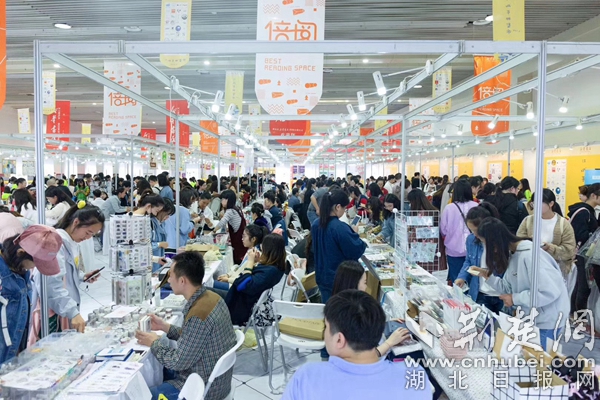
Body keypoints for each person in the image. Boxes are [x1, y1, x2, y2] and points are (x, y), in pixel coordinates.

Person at [281, 290, 431, 400]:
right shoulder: (414, 375)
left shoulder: (307, 378)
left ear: (339, 340)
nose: (325, 332)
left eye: (326, 327)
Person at [135, 251, 236, 400]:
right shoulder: (212, 297)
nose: (169, 280)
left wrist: (153, 343)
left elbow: (177, 361)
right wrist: (165, 327)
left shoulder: (199, 314)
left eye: (170, 275)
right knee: (161, 369)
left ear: (182, 281)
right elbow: (193, 337)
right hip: (217, 378)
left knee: (142, 394)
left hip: (202, 388)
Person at [472, 217, 570, 351]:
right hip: (531, 318)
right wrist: (487, 276)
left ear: (495, 242)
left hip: (546, 321)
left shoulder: (530, 255)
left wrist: (515, 299)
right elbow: (508, 288)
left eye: (486, 244)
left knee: (539, 361)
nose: (488, 250)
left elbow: (549, 292)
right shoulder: (514, 255)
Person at [30, 202, 105, 340]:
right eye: (88, 232)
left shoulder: (72, 242)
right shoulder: (55, 243)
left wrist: (81, 276)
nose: (88, 238)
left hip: (63, 306)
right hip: (54, 309)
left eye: (93, 235)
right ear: (76, 222)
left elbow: (65, 272)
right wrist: (72, 312)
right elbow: (50, 285)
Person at [0, 216, 62, 364]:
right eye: (34, 263)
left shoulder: (21, 269)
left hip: (12, 350)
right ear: (21, 253)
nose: (34, 268)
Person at [311, 190, 367, 302]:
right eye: (344, 208)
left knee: (328, 307)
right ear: (337, 207)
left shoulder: (316, 224)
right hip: (338, 279)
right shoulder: (339, 227)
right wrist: (355, 234)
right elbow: (355, 250)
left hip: (322, 274)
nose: (344, 211)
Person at [517, 189, 576, 289]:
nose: (536, 206)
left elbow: (569, 251)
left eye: (540, 203)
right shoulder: (528, 221)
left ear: (551, 204)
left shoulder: (563, 224)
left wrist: (549, 248)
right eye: (533, 203)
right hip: (531, 269)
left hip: (555, 272)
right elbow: (518, 243)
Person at [224, 234, 286, 325]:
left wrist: (250, 262)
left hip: (240, 306)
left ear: (268, 249)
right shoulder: (275, 267)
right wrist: (256, 262)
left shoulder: (271, 271)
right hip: (243, 299)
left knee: (208, 292)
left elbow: (243, 285)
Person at [454, 203, 504, 313]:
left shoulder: (502, 241)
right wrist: (462, 277)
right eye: (471, 230)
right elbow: (468, 261)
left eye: (477, 231)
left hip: (502, 295)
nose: (475, 234)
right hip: (480, 293)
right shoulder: (471, 240)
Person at [568, 182, 600, 312]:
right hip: (582, 254)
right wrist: (593, 236)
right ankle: (578, 315)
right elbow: (579, 235)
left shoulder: (589, 211)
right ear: (593, 196)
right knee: (583, 287)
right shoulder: (584, 212)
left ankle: (574, 313)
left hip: (584, 254)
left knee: (580, 285)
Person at [440, 179, 478, 283]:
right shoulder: (476, 206)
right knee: (474, 280)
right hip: (474, 249)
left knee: (457, 281)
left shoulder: (449, 208)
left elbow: (443, 230)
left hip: (453, 250)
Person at [215, 224, 269, 291]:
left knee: (210, 284)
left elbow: (244, 279)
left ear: (253, 239)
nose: (242, 239)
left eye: (244, 236)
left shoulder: (255, 255)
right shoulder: (250, 251)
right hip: (235, 281)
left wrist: (228, 279)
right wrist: (228, 275)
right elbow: (240, 268)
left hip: (236, 286)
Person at [214, 190, 247, 265]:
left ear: (228, 200)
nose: (221, 202)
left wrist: (214, 231)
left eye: (223, 199)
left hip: (238, 238)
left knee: (238, 257)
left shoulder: (230, 211)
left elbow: (222, 222)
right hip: (241, 235)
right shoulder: (236, 208)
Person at [151, 198, 175, 272]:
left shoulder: (161, 223)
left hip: (158, 263)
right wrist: (159, 244)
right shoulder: (150, 223)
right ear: (160, 210)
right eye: (167, 214)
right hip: (151, 263)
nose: (167, 217)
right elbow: (144, 246)